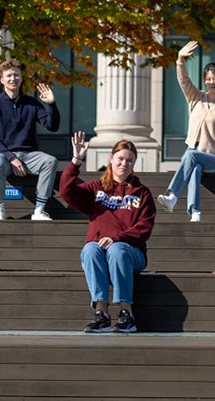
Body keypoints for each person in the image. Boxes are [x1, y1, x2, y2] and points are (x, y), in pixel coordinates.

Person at [60, 133, 157, 334]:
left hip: (131, 253)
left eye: (130, 160)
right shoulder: (96, 189)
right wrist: (76, 161)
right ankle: (101, 313)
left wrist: (116, 238)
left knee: (117, 250)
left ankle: (126, 314)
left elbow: (145, 227)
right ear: (111, 159)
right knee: (90, 249)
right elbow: (66, 192)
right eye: (120, 158)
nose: (124, 163)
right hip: (101, 252)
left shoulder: (142, 192)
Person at [158, 41, 215, 222]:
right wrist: (180, 58)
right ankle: (195, 212)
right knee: (194, 167)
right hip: (193, 154)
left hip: (214, 158)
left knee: (192, 157)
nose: (211, 82)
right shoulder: (196, 98)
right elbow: (183, 80)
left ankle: (172, 196)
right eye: (208, 79)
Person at [0, 59, 59, 221]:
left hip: (28, 155)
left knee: (50, 161)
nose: (13, 78)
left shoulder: (32, 103)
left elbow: (52, 126)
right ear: (2, 80)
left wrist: (51, 105)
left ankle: (39, 211)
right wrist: (12, 158)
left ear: (21, 78)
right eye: (9, 75)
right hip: (4, 156)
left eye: (16, 75)